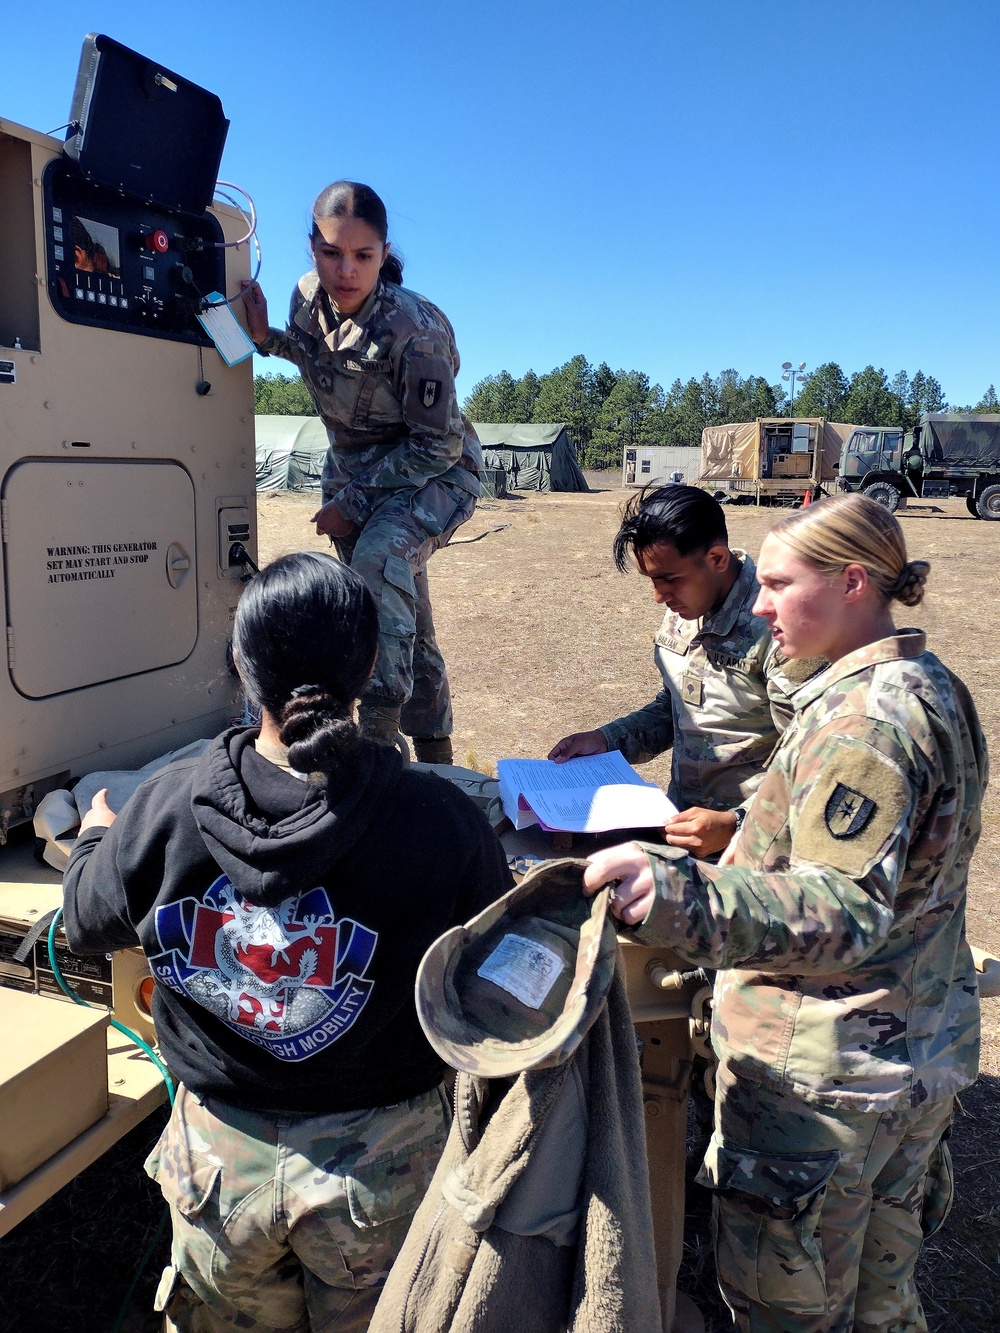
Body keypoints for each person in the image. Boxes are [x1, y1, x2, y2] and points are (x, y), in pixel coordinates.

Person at [62, 552, 512, 1333]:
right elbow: (498, 979)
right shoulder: (440, 824)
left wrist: (94, 838)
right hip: (378, 1171)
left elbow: (84, 920)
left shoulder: (164, 807)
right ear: (370, 665)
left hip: (215, 1171)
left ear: (241, 664)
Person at [584, 493, 986, 1333]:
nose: (760, 606)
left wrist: (676, 894)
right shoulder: (926, 684)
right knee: (881, 1300)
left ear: (851, 583)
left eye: (776, 583)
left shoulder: (864, 722)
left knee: (790, 1310)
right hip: (903, 1056)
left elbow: (841, 905)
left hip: (827, 1079)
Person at [242, 181, 482, 763]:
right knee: (400, 607)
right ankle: (437, 755)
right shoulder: (305, 298)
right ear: (311, 249)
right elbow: (318, 357)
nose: (345, 270)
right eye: (330, 253)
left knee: (380, 562)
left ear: (383, 253)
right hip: (356, 469)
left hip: (434, 470)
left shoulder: (411, 330)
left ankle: (375, 741)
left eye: (363, 256)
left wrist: (351, 504)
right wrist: (264, 339)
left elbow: (439, 443)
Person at [549, 484, 820, 857]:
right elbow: (677, 705)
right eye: (652, 581)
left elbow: (815, 765)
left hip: (758, 854)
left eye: (669, 579)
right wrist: (607, 739)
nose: (660, 596)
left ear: (717, 559)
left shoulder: (778, 629)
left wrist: (735, 825)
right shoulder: (689, 605)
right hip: (682, 830)